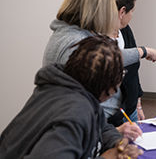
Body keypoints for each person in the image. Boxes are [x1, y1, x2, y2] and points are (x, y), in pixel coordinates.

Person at [42, 0, 156, 138]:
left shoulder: (72, 35)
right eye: (109, 7)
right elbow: (75, 119)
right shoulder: (76, 43)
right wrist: (111, 132)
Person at [0, 35, 143, 159]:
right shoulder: (76, 113)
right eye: (120, 74)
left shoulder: (70, 89)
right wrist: (107, 157)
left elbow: (102, 126)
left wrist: (116, 142)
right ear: (109, 86)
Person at [103, 0, 145, 125]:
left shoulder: (126, 31)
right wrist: (144, 52)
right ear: (122, 11)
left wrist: (138, 104)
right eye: (132, 11)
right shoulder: (96, 41)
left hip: (131, 109)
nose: (132, 15)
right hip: (111, 118)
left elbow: (133, 71)